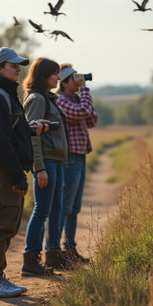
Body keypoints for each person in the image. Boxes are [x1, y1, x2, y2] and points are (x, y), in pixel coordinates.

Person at [0, 47, 48, 297]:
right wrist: (18, 176)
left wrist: (30, 129)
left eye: (19, 66)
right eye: (13, 66)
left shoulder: (5, 94)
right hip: (3, 170)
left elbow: (7, 132)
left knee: (6, 224)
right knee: (2, 225)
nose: (18, 69)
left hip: (6, 168)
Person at [21, 57, 70, 275]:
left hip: (56, 161)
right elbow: (32, 136)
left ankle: (53, 256)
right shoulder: (37, 99)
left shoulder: (49, 99)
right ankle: (30, 260)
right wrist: (39, 167)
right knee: (42, 210)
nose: (58, 78)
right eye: (54, 74)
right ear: (44, 76)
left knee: (57, 210)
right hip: (46, 162)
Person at [56, 65, 98, 263]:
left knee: (74, 208)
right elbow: (84, 113)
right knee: (65, 207)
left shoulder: (75, 99)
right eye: (74, 78)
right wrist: (85, 91)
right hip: (69, 157)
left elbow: (92, 119)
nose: (78, 80)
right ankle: (56, 250)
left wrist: (82, 95)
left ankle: (70, 249)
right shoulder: (61, 100)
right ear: (63, 83)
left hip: (80, 156)